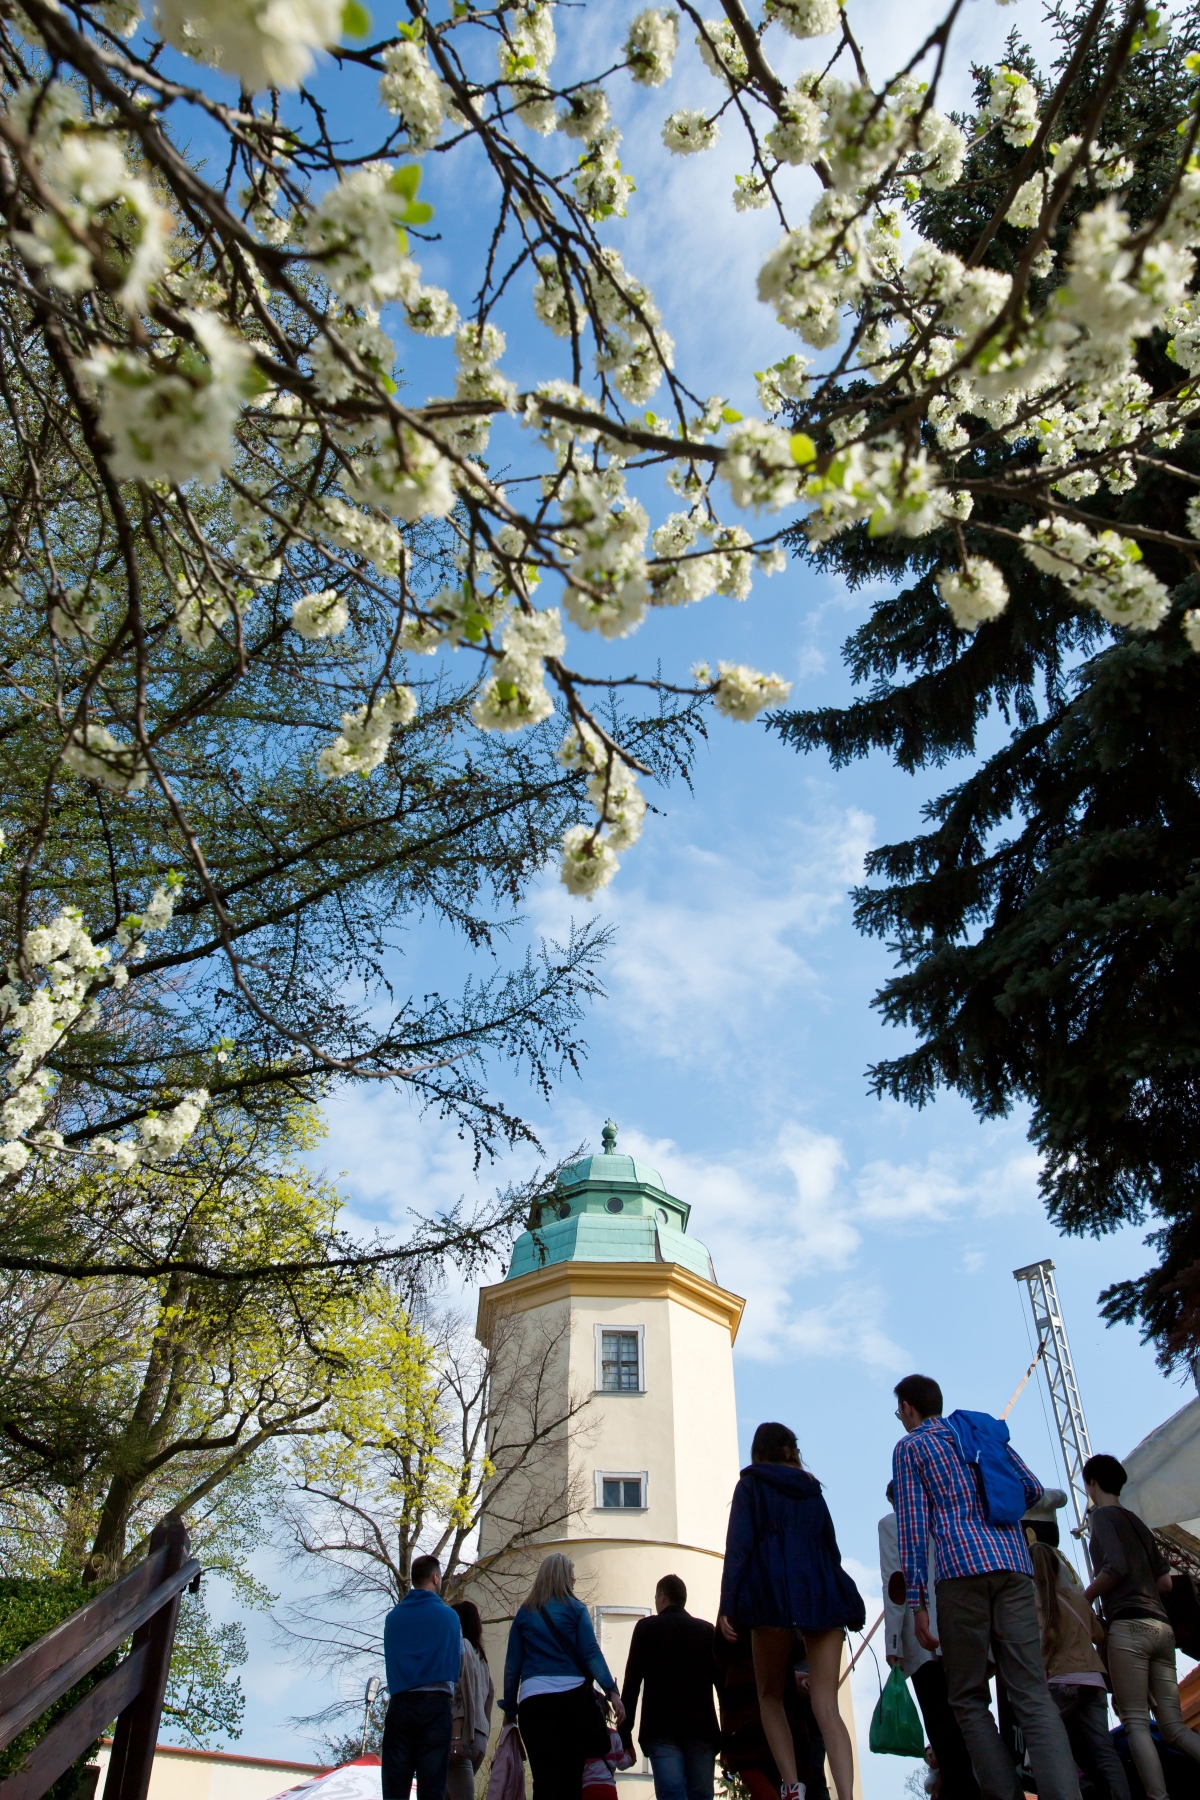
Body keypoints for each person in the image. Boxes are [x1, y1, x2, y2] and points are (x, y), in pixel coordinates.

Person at [891, 1372, 1081, 1800]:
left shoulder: (911, 1447)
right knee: (1031, 1693)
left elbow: (914, 1529)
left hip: (961, 1574)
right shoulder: (979, 1432)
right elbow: (1031, 1488)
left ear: (907, 1408)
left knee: (968, 1698)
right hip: (1014, 1567)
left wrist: (918, 1604)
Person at [718, 1420, 864, 1800]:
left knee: (770, 1696)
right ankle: (847, 1795)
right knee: (826, 1703)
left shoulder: (750, 1486)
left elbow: (739, 1549)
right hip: (822, 1596)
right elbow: (831, 1549)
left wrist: (727, 1605)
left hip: (771, 1596)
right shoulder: (812, 1491)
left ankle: (791, 1786)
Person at [1082, 1452, 1200, 1800]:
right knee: (1174, 1726)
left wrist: (1084, 1598)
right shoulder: (1137, 1522)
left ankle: (1157, 1797)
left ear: (1091, 1483)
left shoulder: (1102, 1517)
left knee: (1135, 1722)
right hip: (1162, 1629)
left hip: (1128, 1627)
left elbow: (1114, 1567)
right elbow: (1165, 1583)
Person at [879, 1481, 980, 1800]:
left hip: (920, 1637)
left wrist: (893, 1643)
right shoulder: (943, 1518)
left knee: (941, 1726)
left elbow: (895, 1583)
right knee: (974, 1719)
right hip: (961, 1629)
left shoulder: (891, 1524)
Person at [501, 1552, 626, 1797]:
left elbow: (512, 1667)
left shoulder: (525, 1614)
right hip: (573, 1702)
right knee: (571, 1781)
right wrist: (611, 1690)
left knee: (543, 1781)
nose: (575, 1579)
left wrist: (510, 1711)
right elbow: (591, 1653)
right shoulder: (576, 1609)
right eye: (571, 1574)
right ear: (563, 1578)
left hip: (534, 1702)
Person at [1029, 1540, 1131, 1800]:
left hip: (1061, 1681)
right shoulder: (1076, 1599)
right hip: (1093, 1681)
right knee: (1104, 1750)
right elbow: (1099, 1635)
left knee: (1048, 1741)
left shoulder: (1032, 1604)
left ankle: (1078, 1779)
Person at [619, 1573, 720, 1799]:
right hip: (701, 1730)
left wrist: (625, 1736)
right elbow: (721, 1686)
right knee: (701, 1794)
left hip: (661, 1728)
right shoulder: (706, 1631)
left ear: (662, 1597)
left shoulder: (646, 1629)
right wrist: (728, 1736)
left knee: (671, 1793)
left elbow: (632, 1684)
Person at [713, 1626, 829, 1800]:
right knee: (775, 1772)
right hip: (774, 1703)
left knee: (754, 1767)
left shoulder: (737, 1617)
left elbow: (721, 1650)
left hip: (747, 1702)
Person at [382, 1554, 463, 1800]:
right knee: (431, 1788)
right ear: (436, 1577)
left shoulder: (393, 1618)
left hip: (400, 1705)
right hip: (435, 1706)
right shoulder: (450, 1617)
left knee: (395, 1788)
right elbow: (458, 1661)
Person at [446, 1599, 494, 1800]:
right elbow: (490, 1695)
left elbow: (457, 1691)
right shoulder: (482, 1658)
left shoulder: (461, 1647)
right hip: (480, 1740)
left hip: (462, 1738)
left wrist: (455, 1735)